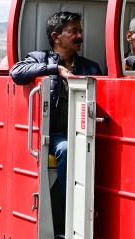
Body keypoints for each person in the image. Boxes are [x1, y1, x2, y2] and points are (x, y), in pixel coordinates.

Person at [11, 11, 104, 213]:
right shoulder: (38, 58)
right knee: (66, 149)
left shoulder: (91, 67)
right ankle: (73, 213)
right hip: (54, 134)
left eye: (80, 31)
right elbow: (16, 73)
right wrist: (56, 69)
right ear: (56, 37)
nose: (80, 36)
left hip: (86, 130)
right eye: (73, 31)